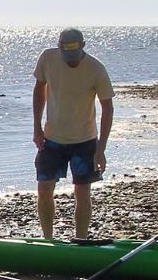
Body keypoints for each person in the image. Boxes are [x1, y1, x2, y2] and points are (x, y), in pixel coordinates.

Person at [31, 27, 114, 240]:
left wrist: (100, 149)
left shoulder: (96, 68)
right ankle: (48, 239)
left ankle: (81, 239)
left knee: (82, 191)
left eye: (74, 54)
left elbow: (108, 108)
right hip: (52, 139)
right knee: (44, 188)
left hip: (84, 141)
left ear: (83, 47)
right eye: (66, 54)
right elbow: (39, 88)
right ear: (59, 48)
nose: (71, 59)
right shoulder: (48, 58)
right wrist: (37, 127)